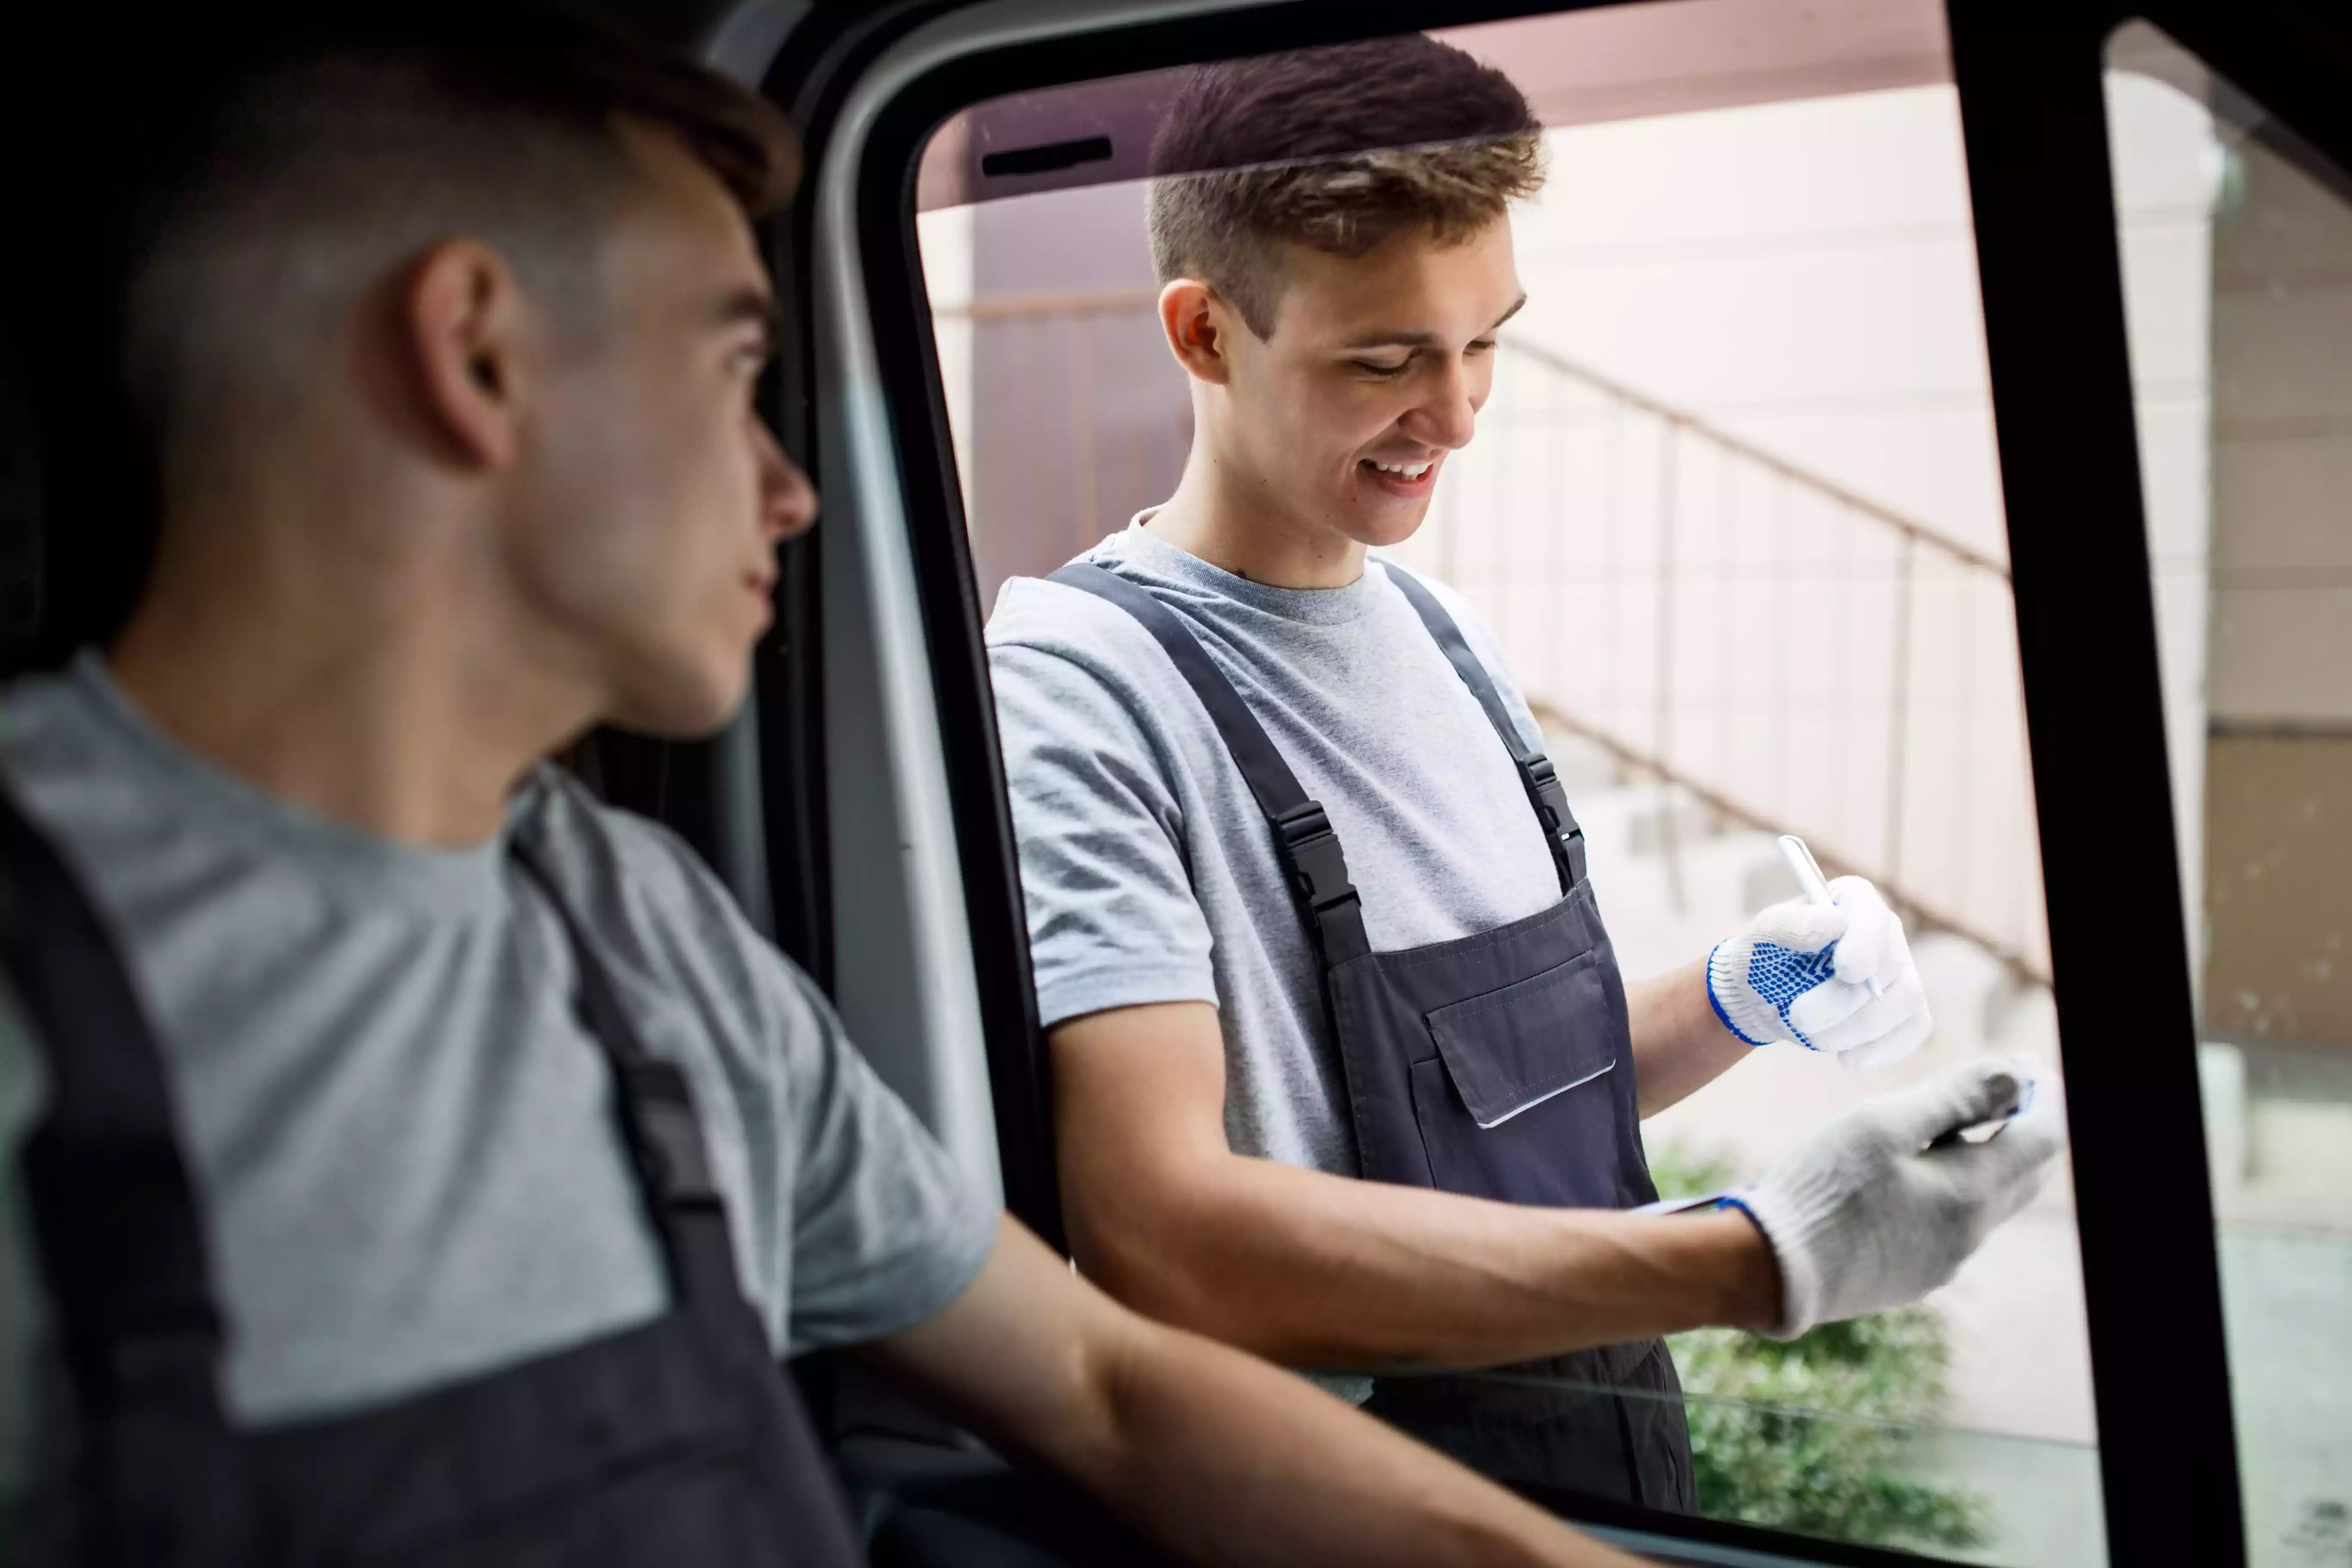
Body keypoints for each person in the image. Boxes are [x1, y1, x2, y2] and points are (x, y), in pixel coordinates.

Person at [0, 10, 1684, 1565]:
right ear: (479, 353)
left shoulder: (643, 935)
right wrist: (1751, 1259)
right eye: (735, 370)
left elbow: (1102, 1385)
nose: (792, 491)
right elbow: (1161, 1255)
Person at [985, 33, 2065, 1509]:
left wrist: (1743, 996)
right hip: (1354, 1503)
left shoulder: (1449, 640)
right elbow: (1160, 1228)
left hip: (1615, 1441)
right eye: (1387, 359)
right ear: (1205, 334)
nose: (1461, 412)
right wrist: (1759, 1256)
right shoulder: (1083, 692)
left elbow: (1517, 1104)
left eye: (1488, 339)